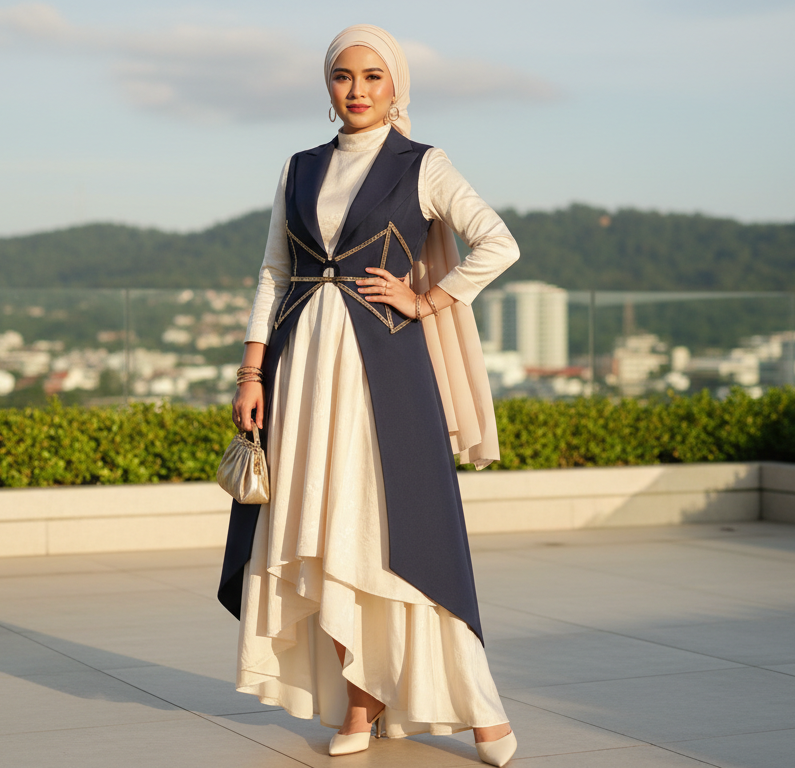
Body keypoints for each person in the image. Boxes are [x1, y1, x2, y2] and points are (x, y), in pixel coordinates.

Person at [218, 24, 520, 766]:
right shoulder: (298, 167)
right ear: (328, 88)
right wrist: (252, 372)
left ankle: (480, 708)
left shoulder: (424, 164)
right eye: (343, 77)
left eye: (373, 77)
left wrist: (429, 298)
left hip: (384, 374)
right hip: (301, 373)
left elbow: (498, 241)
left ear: (396, 86)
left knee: (396, 535)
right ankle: (362, 700)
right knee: (328, 530)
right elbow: (273, 274)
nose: (356, 90)